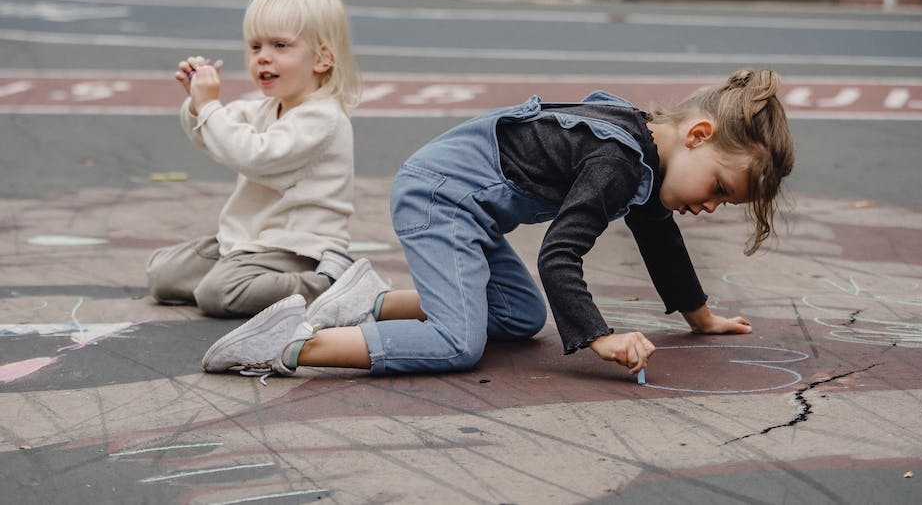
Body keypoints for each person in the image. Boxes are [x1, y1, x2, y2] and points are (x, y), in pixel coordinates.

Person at [201, 68, 794, 378]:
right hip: (440, 200)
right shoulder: (618, 159)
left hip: (467, 209)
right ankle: (289, 346)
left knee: (521, 317)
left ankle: (366, 301)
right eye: (719, 188)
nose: (711, 205)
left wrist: (701, 318)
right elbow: (559, 255)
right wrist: (600, 336)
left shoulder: (644, 146)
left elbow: (658, 235)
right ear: (696, 135)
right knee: (458, 343)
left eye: (726, 202)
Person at [146, 0, 361, 318]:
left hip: (295, 246)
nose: (263, 57)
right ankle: (240, 276)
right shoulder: (267, 106)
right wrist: (196, 104)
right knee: (163, 275)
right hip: (246, 241)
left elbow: (253, 155)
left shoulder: (321, 117)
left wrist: (209, 108)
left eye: (280, 45)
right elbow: (215, 135)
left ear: (323, 58)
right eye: (255, 46)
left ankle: (330, 282)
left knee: (218, 294)